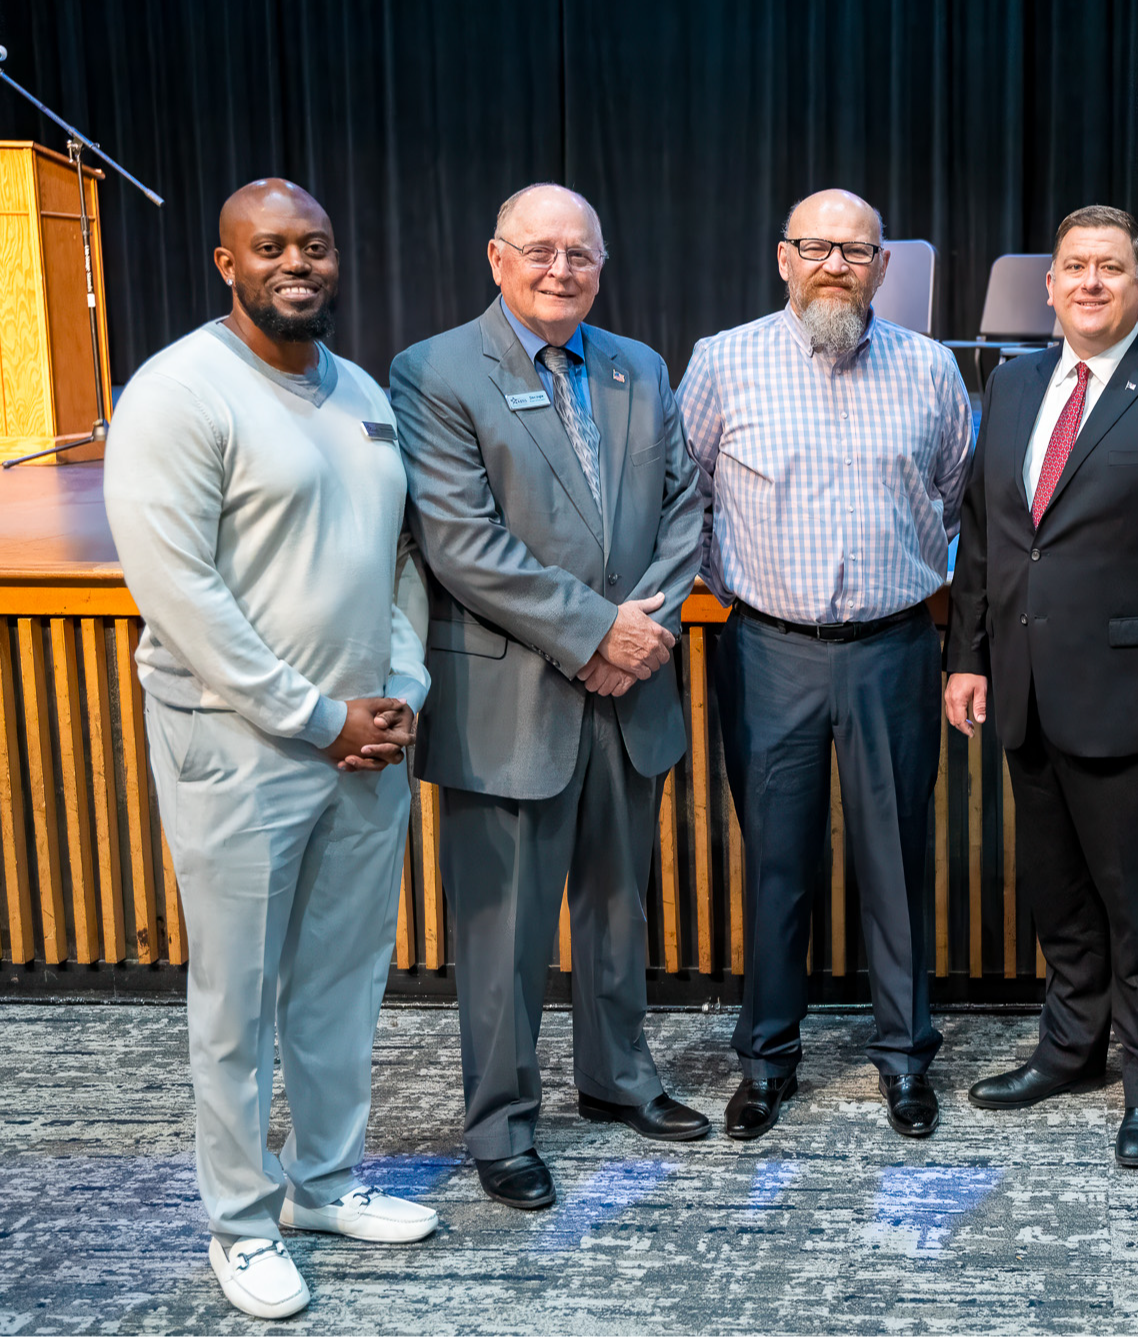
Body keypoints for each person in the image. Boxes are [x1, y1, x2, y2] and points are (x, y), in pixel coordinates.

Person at [105, 179, 439, 1321]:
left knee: (344, 984)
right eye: (270, 247)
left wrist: (399, 690)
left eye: (314, 244)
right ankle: (240, 1227)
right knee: (235, 1001)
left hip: (364, 741)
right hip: (236, 745)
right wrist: (315, 715)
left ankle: (324, 1186)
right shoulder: (178, 391)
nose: (296, 262)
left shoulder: (359, 393)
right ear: (225, 262)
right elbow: (180, 593)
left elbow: (398, 558)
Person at [392, 184, 710, 1212]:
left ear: (601, 265)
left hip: (632, 688)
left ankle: (617, 1078)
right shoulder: (435, 372)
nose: (559, 268)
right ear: (496, 258)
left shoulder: (638, 367)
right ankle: (502, 1123)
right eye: (539, 250)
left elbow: (682, 507)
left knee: (617, 912)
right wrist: (593, 633)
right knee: (505, 936)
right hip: (510, 704)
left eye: (579, 252)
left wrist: (640, 632)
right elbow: (461, 544)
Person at [946, 205, 1138, 1168]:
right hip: (1028, 689)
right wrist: (967, 653)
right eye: (1074, 267)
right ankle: (1070, 1049)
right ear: (1049, 285)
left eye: (1110, 268)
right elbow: (990, 538)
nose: (1090, 282)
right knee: (1061, 894)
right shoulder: (1012, 384)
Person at [679, 189, 972, 1141]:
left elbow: (955, 495)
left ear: (885, 266)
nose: (835, 263)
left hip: (893, 648)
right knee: (774, 864)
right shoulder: (723, 362)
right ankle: (766, 1062)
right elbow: (687, 496)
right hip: (766, 648)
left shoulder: (931, 370)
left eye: (856, 249)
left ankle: (903, 1059)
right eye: (817, 247)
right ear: (783, 258)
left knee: (897, 863)